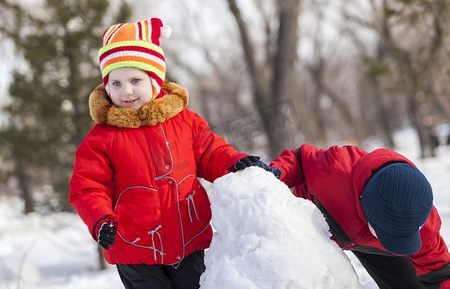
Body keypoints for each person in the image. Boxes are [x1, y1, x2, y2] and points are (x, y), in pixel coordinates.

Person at [69, 17, 274, 289]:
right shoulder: (102, 139)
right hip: (135, 250)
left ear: (155, 81)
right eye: (115, 83)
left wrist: (233, 161)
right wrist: (100, 219)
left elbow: (209, 151)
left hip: (187, 238)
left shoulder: (184, 121)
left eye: (135, 80)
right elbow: (87, 187)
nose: (126, 91)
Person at [270, 143, 450, 288]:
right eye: (388, 234)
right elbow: (299, 159)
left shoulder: (421, 222)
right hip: (315, 225)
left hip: (369, 243)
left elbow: (439, 272)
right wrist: (274, 174)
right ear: (365, 206)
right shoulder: (335, 170)